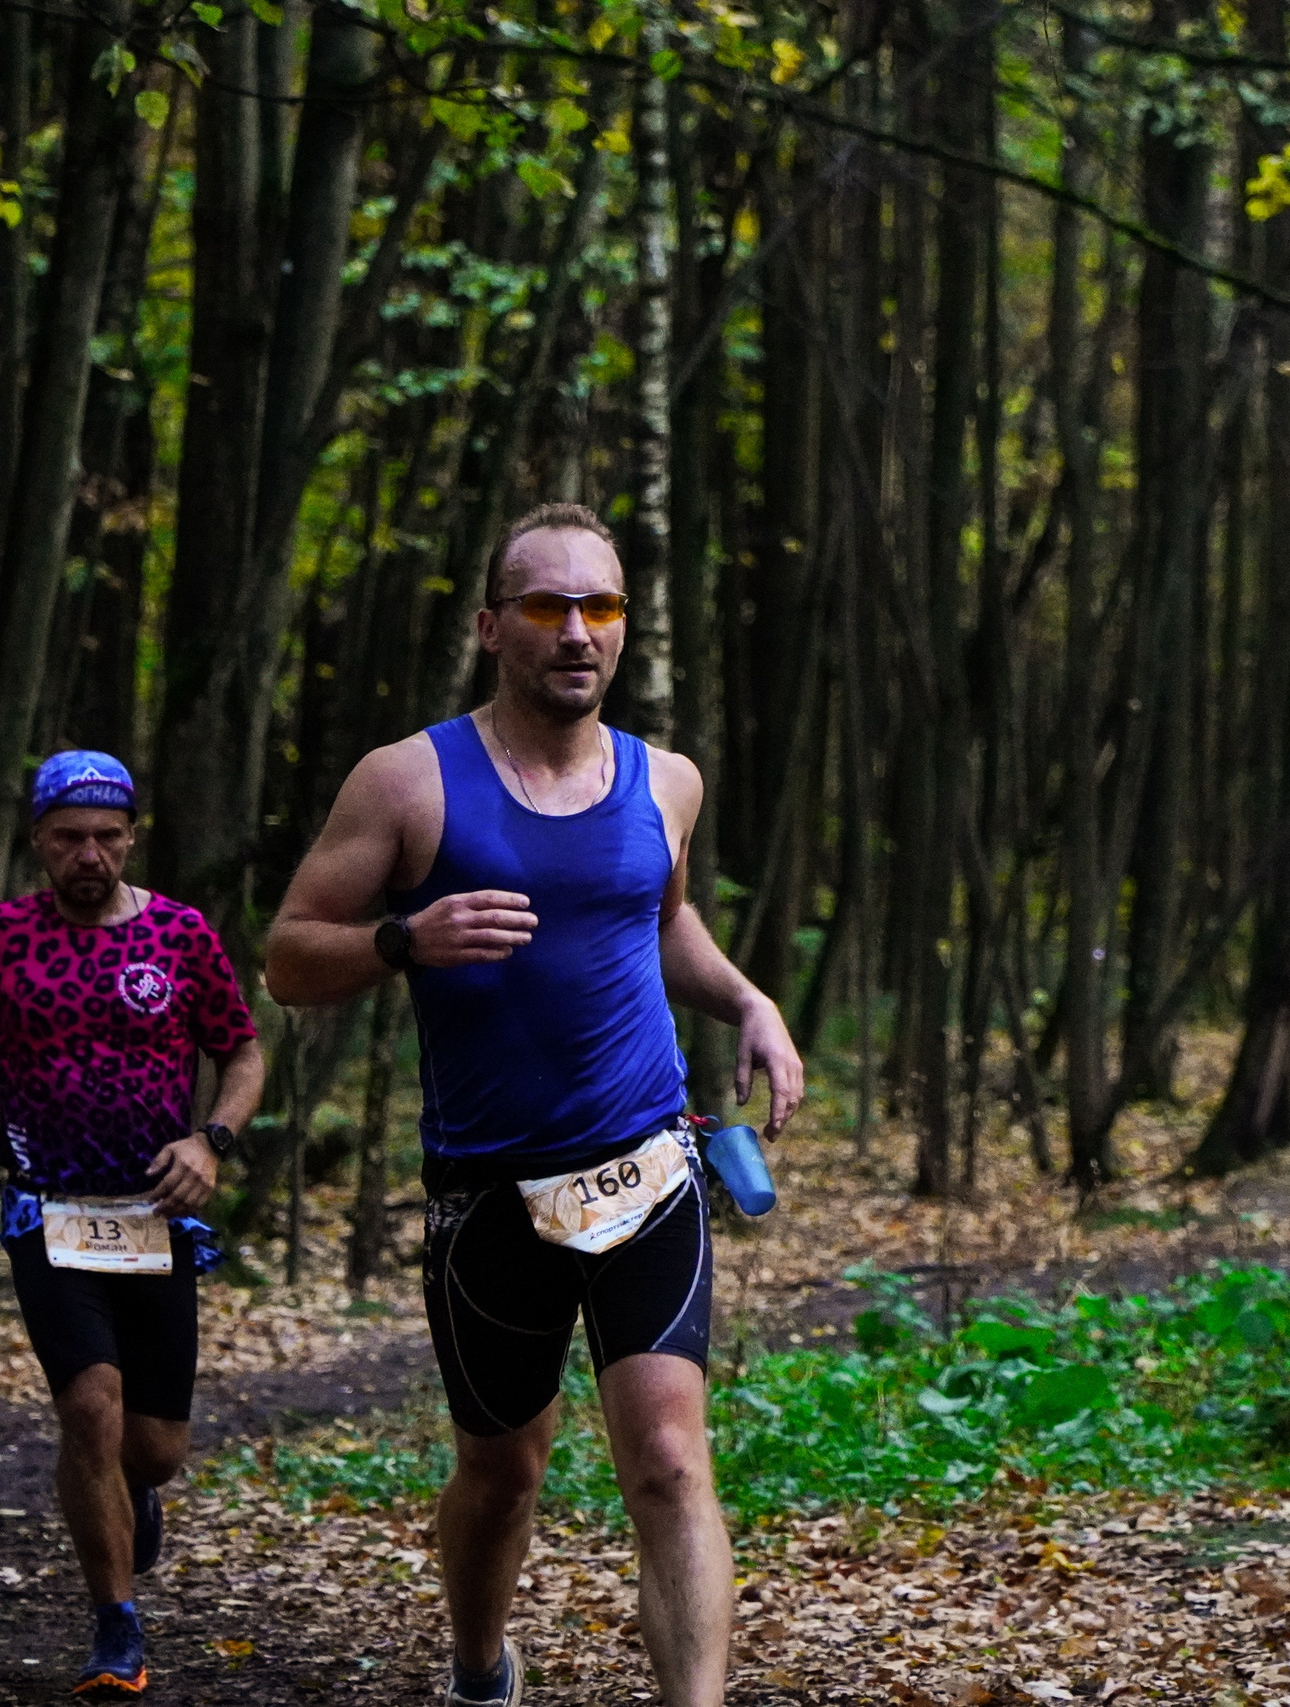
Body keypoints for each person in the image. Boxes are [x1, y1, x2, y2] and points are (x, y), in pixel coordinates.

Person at [263, 501, 805, 1707]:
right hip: (490, 1195)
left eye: (601, 606)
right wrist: (405, 939)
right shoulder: (408, 783)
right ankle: (476, 1668)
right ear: (491, 626)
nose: (578, 631)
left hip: (647, 1168)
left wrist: (750, 1003)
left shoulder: (665, 781)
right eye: (549, 606)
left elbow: (659, 922)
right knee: (501, 1474)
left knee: (667, 1460)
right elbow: (289, 959)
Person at [0, 750, 266, 1698]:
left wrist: (213, 1141)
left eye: (107, 837)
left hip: (154, 1216)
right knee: (89, 1408)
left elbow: (241, 1052)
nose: (90, 855)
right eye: (70, 837)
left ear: (130, 838)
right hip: (48, 1210)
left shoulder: (182, 936)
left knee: (152, 1447)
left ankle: (133, 1491)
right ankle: (116, 1622)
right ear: (38, 838)